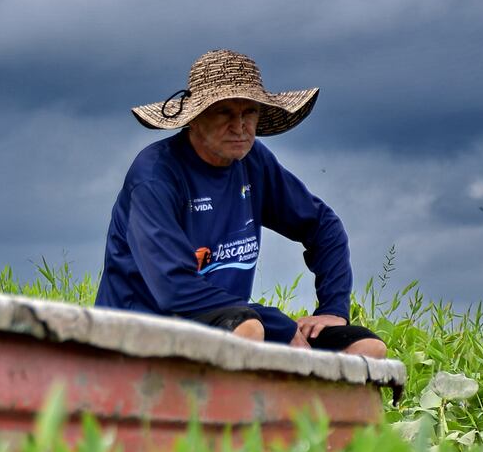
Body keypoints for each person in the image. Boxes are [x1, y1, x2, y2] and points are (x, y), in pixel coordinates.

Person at [94, 49, 386, 358]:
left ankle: (301, 404)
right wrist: (282, 326)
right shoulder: (156, 175)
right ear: (194, 119)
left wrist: (333, 307)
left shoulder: (254, 162)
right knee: (250, 328)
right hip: (142, 325)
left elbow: (323, 226)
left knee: (366, 347)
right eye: (224, 112)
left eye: (249, 112)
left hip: (228, 322)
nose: (240, 126)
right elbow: (174, 289)